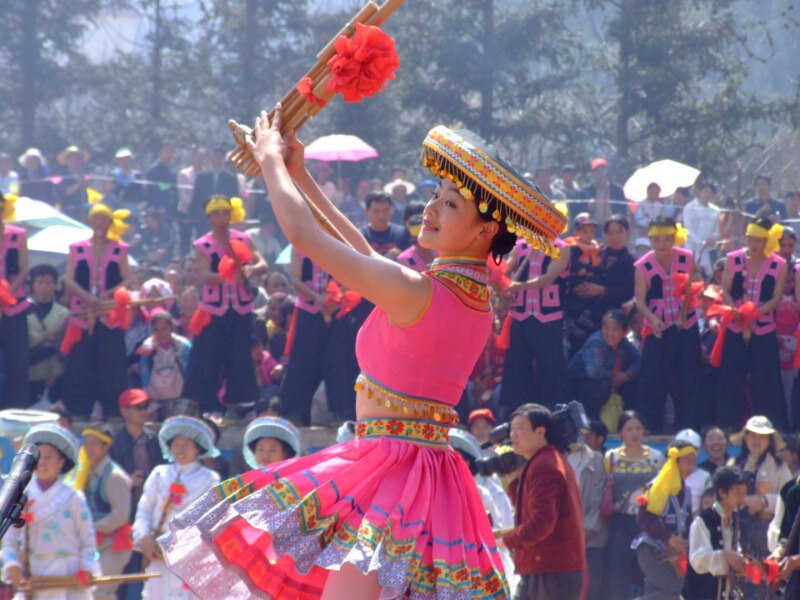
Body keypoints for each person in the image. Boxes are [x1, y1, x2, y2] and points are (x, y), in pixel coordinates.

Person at [158, 116, 568, 597]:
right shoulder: (472, 298)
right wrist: (299, 175)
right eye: (436, 194)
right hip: (428, 475)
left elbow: (304, 236)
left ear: (486, 230)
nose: (431, 207)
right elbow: (362, 250)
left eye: (450, 203)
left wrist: (269, 157)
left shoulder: (416, 291)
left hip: (388, 473)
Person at [181, 195, 268, 413]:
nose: (221, 218)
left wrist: (252, 269)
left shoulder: (243, 239)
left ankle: (236, 405)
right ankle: (200, 404)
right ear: (209, 218)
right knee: (207, 357)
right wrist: (228, 276)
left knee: (239, 357)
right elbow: (205, 275)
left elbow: (263, 264)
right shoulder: (203, 244)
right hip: (213, 310)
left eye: (225, 213)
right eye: (216, 214)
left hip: (240, 309)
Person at [0, 423, 99, 599]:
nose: (42, 463)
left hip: (69, 577)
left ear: (61, 462)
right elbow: (9, 539)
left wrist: (88, 568)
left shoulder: (74, 499)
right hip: (32, 576)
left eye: (49, 457)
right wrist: (12, 565)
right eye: (39, 457)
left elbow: (88, 540)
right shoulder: (21, 496)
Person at [502, 403, 585, 599]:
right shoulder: (545, 460)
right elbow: (530, 510)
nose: (513, 435)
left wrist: (505, 541)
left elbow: (542, 523)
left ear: (540, 431)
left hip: (551, 569)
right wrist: (514, 484)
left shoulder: (544, 466)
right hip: (544, 566)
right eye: (511, 429)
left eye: (519, 429)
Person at [133, 416, 220, 599]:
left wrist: (183, 546)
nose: (181, 449)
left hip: (190, 557)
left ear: (197, 448)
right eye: (176, 445)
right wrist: (144, 538)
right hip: (156, 553)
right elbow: (144, 509)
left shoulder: (210, 479)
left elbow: (211, 519)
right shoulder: (159, 474)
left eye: (187, 445)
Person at [61, 203, 131, 418]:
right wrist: (87, 296)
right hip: (82, 314)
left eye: (104, 219)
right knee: (80, 364)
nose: (100, 223)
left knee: (111, 365)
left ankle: (112, 410)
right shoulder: (77, 248)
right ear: (90, 221)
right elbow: (69, 278)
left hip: (109, 314)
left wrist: (108, 294)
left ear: (110, 222)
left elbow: (127, 279)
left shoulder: (120, 249)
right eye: (96, 218)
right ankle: (78, 410)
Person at [634, 215, 703, 432]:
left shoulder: (687, 258)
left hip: (686, 324)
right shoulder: (642, 265)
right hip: (658, 328)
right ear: (650, 240)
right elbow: (640, 301)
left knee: (689, 378)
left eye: (667, 239)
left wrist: (691, 294)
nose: (662, 244)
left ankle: (688, 428)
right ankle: (651, 428)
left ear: (674, 238)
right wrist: (653, 320)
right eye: (656, 239)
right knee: (653, 380)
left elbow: (698, 285)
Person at [717, 218, 788, 430]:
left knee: (766, 382)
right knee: (729, 379)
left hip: (763, 328)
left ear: (767, 241)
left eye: (758, 240)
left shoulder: (779, 264)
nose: (753, 244)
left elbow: (776, 297)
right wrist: (737, 311)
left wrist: (755, 314)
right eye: (750, 239)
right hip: (736, 325)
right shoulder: (733, 259)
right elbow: (725, 289)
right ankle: (727, 427)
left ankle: (770, 429)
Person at [500, 219, 570, 412]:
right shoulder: (520, 246)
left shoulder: (561, 248)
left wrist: (518, 286)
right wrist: (499, 280)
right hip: (520, 317)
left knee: (551, 369)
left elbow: (548, 278)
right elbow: (506, 270)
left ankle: (552, 412)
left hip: (548, 319)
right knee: (518, 368)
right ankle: (517, 413)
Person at [450, 428, 518, 596]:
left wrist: (479, 541)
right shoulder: (435, 494)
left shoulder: (486, 492)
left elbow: (507, 527)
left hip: (488, 565)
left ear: (466, 462)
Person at [606, 410, 665, 600]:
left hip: (647, 520)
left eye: (638, 428)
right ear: (620, 432)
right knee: (618, 570)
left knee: (648, 569)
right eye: (629, 429)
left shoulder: (656, 457)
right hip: (619, 520)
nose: (634, 433)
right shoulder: (611, 457)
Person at [632, 440, 697, 599]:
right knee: (671, 591)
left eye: (694, 461)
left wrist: (684, 542)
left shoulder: (686, 490)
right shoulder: (657, 487)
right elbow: (644, 519)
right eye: (688, 461)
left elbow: (687, 522)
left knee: (659, 592)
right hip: (653, 549)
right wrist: (668, 538)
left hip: (675, 552)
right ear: (675, 461)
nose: (691, 466)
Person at [730, 415, 791, 584]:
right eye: (753, 435)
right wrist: (743, 501)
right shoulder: (734, 464)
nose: (757, 440)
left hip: (768, 533)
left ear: (769, 440)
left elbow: (790, 499)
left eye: (762, 436)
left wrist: (764, 501)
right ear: (746, 438)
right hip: (738, 532)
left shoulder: (780, 467)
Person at [80, 423, 133, 599]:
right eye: (86, 443)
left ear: (106, 445)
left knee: (100, 591)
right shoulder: (86, 472)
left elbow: (120, 516)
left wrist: (90, 527)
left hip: (113, 543)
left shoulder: (115, 476)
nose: (88, 448)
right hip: (94, 541)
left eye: (93, 444)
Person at [682, 466, 748, 600]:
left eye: (744, 493)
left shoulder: (734, 521)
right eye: (737, 493)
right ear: (722, 492)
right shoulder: (703, 521)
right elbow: (698, 560)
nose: (742, 499)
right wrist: (725, 555)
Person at [566, 309, 639, 420]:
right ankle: (591, 421)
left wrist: (626, 375)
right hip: (580, 388)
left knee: (632, 381)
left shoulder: (624, 343)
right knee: (603, 385)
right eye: (606, 328)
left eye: (615, 330)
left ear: (625, 332)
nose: (610, 334)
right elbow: (594, 372)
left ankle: (629, 420)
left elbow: (638, 360)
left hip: (607, 381)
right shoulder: (596, 342)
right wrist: (616, 375)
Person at [567, 423, 608, 600]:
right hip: (562, 538)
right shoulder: (557, 457)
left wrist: (586, 530)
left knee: (592, 586)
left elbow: (600, 497)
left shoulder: (597, 459)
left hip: (591, 538)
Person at [574, 214, 636, 328]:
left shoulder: (632, 261)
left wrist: (602, 290)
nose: (614, 237)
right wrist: (581, 287)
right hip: (586, 314)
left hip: (614, 319)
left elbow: (630, 292)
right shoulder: (596, 252)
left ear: (627, 232)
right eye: (610, 233)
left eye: (619, 232)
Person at [0, 192, 30, 407]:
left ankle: (16, 407)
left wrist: (5, 296)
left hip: (14, 306)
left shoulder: (17, 235)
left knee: (17, 360)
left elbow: (24, 269)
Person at [27, 264, 69, 404]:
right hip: (27, 370)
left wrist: (56, 372)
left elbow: (63, 346)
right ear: (33, 285)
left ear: (55, 285)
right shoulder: (23, 310)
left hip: (51, 375)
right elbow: (22, 340)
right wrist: (42, 337)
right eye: (39, 282)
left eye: (48, 283)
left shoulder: (63, 314)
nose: (44, 287)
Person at [137, 308, 192, 411]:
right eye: (157, 330)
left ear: (171, 327)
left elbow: (190, 374)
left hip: (181, 400)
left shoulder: (183, 346)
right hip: (156, 401)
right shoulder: (146, 349)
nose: (161, 333)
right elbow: (145, 377)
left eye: (164, 328)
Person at [188, 146, 240, 245]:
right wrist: (191, 214)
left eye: (220, 156)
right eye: (215, 156)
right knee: (204, 244)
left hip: (223, 218)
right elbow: (196, 196)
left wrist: (236, 217)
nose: (217, 159)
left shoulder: (231, 177)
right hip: (204, 217)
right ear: (211, 157)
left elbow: (235, 198)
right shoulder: (201, 176)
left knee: (222, 244)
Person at [358, 191, 411, 260]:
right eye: (376, 211)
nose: (381, 215)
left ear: (392, 210)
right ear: (367, 211)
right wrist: (386, 258)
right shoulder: (361, 236)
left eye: (385, 210)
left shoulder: (403, 234)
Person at [578, 157, 628, 226]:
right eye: (597, 171)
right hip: (593, 228)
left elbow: (623, 210)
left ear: (606, 171)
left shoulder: (617, 190)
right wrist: (588, 207)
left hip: (613, 227)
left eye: (602, 170)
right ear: (592, 173)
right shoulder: (585, 191)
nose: (600, 173)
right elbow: (579, 212)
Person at [177, 147, 208, 255]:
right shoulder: (184, 173)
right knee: (185, 240)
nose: (200, 159)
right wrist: (191, 209)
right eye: (198, 156)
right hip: (185, 212)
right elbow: (182, 193)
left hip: (201, 213)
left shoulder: (206, 174)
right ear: (193, 157)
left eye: (203, 157)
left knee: (201, 240)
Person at [683, 182, 720, 272]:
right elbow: (688, 230)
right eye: (706, 191)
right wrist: (701, 243)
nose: (708, 194)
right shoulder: (689, 208)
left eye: (711, 192)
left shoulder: (715, 210)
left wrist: (713, 238)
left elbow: (717, 230)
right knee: (691, 274)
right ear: (699, 191)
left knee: (710, 275)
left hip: (710, 250)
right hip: (692, 249)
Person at [674, 428, 713, 514]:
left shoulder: (705, 477)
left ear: (698, 451)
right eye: (682, 448)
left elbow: (709, 506)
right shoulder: (664, 475)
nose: (686, 452)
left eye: (691, 448)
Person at [397, 200, 437, 271]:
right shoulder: (403, 258)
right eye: (413, 223)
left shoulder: (444, 249)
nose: (418, 225)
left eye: (422, 221)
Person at [56, 145, 90, 220]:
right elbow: (64, 192)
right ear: (66, 160)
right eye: (72, 158)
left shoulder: (83, 174)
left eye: (78, 158)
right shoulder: (62, 176)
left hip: (83, 213)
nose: (75, 161)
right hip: (67, 213)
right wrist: (78, 185)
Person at [144, 140, 177, 212]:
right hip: (156, 211)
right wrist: (159, 207)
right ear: (160, 152)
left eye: (171, 151)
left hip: (170, 210)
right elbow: (151, 191)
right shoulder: (154, 170)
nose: (169, 154)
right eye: (166, 151)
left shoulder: (172, 172)